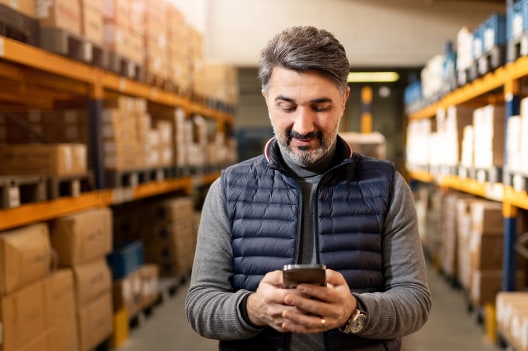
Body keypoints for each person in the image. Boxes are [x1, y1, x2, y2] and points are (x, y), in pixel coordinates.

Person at [185, 25, 431, 351]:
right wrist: (252, 310)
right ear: (266, 100)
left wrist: (355, 311)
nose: (303, 126)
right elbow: (200, 304)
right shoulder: (228, 191)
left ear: (344, 100)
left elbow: (415, 300)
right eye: (287, 106)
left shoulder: (387, 188)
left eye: (320, 107)